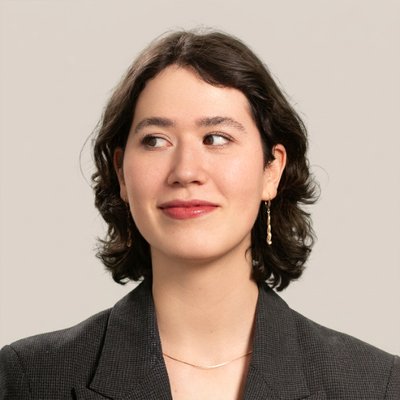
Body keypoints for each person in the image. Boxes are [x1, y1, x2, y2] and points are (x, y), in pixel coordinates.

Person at [0, 30, 399, 400]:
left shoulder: (375, 384)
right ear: (122, 173)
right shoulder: (30, 378)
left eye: (216, 138)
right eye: (156, 140)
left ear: (271, 170)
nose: (186, 171)